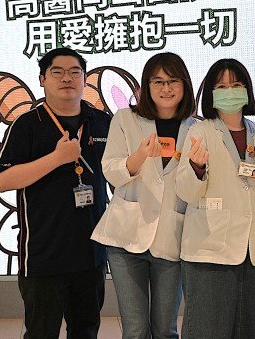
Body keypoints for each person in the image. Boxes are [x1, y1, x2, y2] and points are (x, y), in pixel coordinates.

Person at [0, 47, 110, 339]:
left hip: (91, 253)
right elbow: (2, 181)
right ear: (42, 79)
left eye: (75, 72)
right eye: (57, 72)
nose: (67, 78)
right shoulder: (27, 125)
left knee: (86, 331)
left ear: (85, 79)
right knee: (41, 333)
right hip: (43, 256)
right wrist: (56, 159)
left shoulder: (102, 122)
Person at [91, 52, 196, 339]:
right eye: (158, 81)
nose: (166, 88)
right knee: (135, 330)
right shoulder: (126, 119)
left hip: (171, 238)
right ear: (146, 86)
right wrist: (139, 155)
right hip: (126, 239)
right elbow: (111, 172)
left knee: (165, 330)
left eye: (173, 81)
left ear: (185, 85)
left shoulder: (196, 128)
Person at [176, 59, 255, 339]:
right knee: (207, 330)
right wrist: (197, 167)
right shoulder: (200, 131)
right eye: (222, 86)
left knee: (249, 330)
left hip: (251, 249)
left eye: (236, 85)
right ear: (211, 94)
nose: (230, 91)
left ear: (247, 90)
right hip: (210, 248)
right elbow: (186, 191)